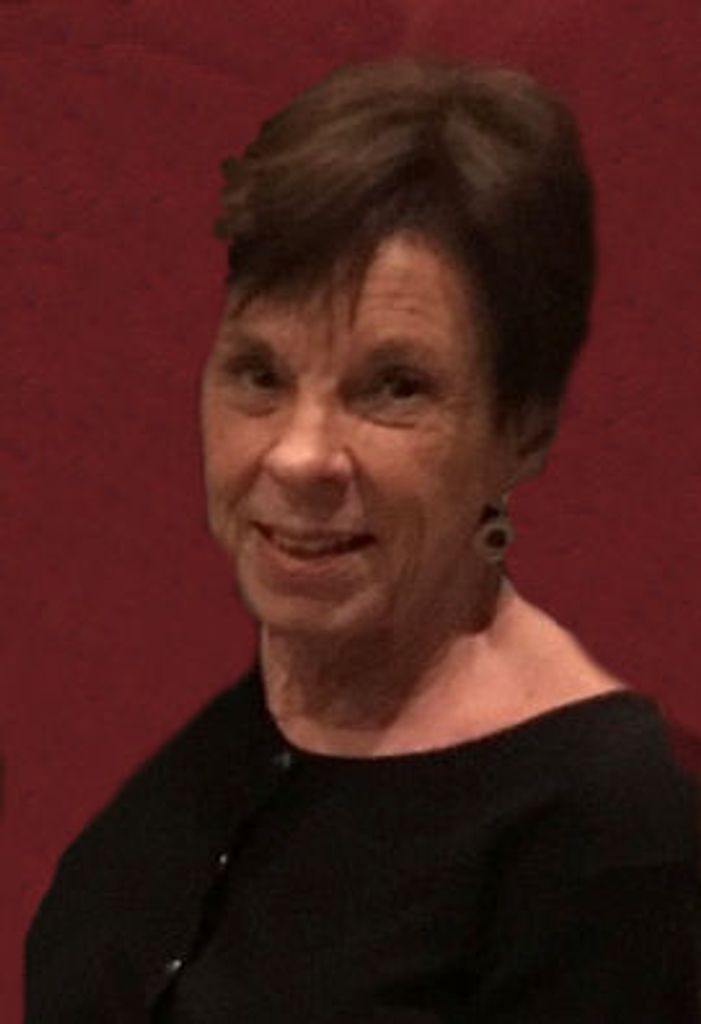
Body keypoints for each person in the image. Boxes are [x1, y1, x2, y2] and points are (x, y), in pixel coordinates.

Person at [25, 55, 699, 1023]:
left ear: (523, 430)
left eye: (393, 388)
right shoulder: (238, 738)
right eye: (259, 374)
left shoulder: (614, 834)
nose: (300, 456)